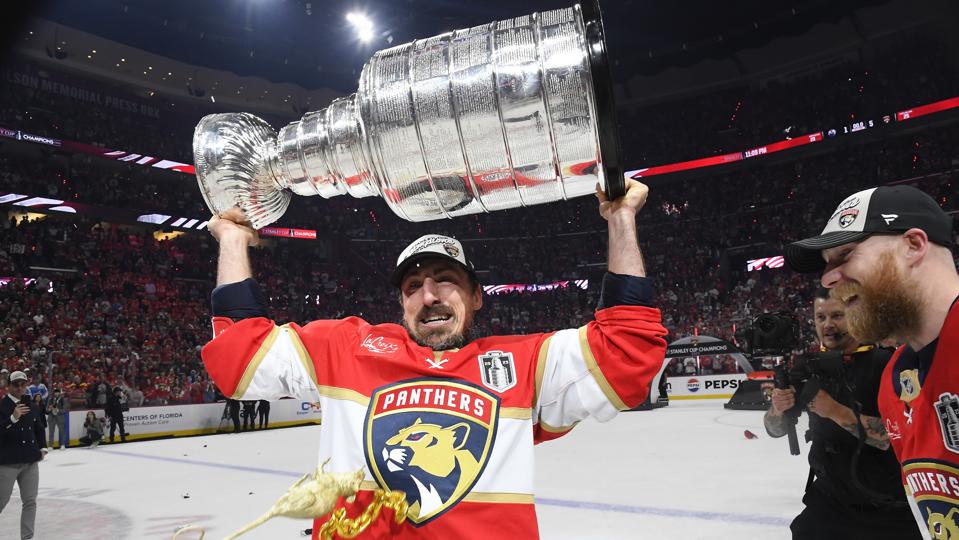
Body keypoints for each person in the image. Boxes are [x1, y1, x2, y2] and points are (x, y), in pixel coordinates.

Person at [201, 179, 668, 538]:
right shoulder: (347, 346)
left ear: (476, 297)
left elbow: (628, 353)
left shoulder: (526, 363)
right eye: (412, 287)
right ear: (402, 304)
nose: (428, 296)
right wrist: (232, 239)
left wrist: (621, 216)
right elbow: (240, 359)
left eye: (445, 280)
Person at [784, 185, 959, 539]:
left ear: (913, 245)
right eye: (827, 265)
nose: (827, 278)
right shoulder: (897, 380)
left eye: (845, 254)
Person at [764, 288, 918, 539]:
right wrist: (778, 409)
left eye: (837, 315)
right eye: (820, 317)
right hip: (828, 503)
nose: (827, 325)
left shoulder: (887, 364)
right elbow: (775, 429)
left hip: (887, 509)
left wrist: (834, 410)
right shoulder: (808, 366)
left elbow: (890, 440)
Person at [0, 370, 47, 540]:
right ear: (8, 386)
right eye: (16, 384)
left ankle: (27, 538)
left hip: (30, 462)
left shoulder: (33, 407)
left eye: (23, 384)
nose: (20, 388)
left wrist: (43, 448)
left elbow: (39, 429)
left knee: (30, 502)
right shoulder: (2, 406)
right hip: (7, 463)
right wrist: (13, 418)